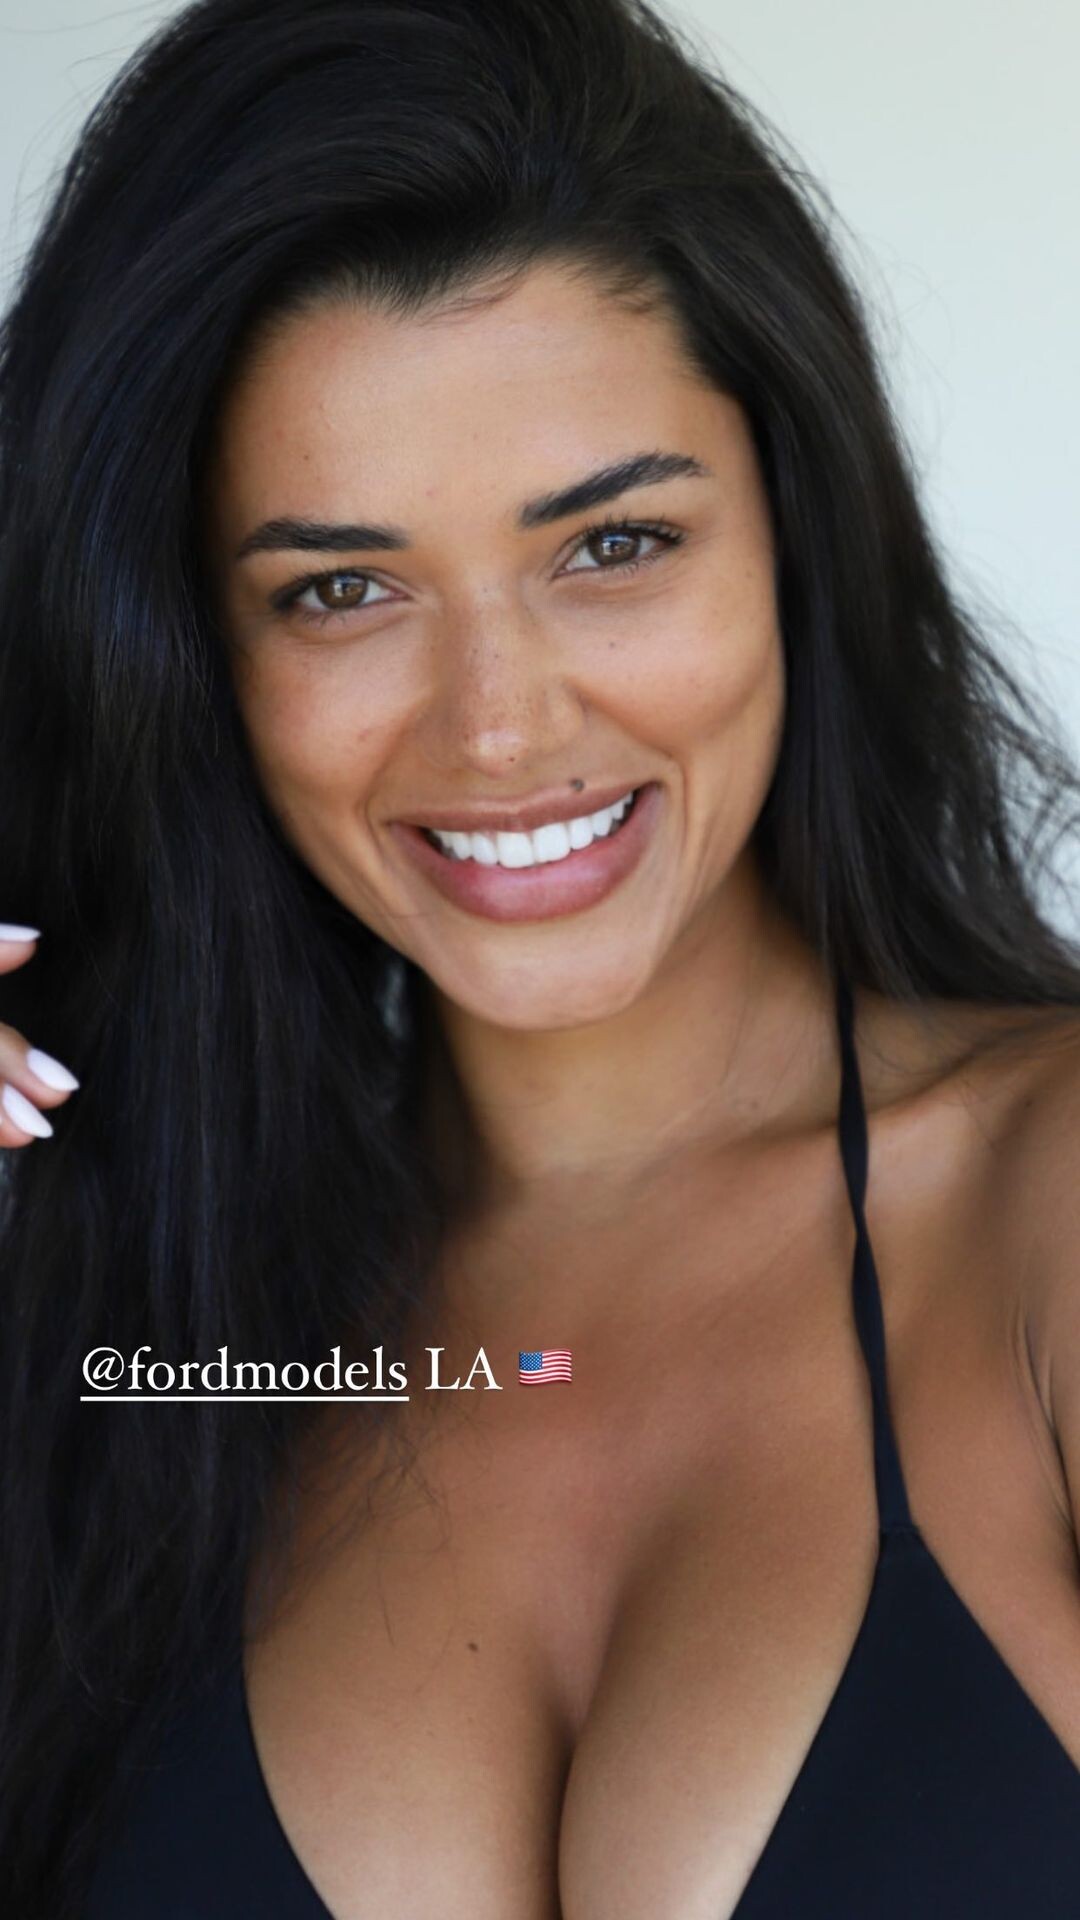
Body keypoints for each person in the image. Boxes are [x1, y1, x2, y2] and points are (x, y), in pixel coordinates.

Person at [1, 0, 1079, 1913]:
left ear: (793, 532)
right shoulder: (137, 1342)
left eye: (613, 546)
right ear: (183, 661)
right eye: (341, 589)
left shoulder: (1051, 1205)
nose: (499, 729)